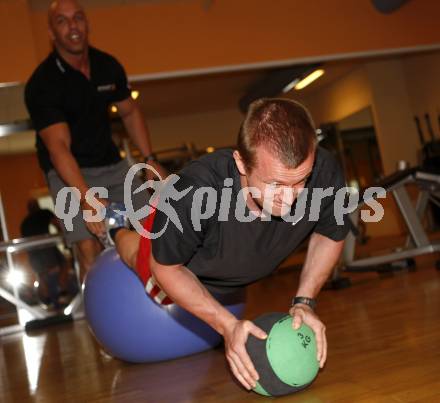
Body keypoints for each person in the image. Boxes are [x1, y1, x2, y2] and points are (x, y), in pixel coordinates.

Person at [105, 98, 349, 390]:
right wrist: (227, 325)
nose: (291, 198)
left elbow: (329, 233)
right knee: (140, 260)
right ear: (241, 163)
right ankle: (118, 227)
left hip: (226, 257)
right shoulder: (194, 195)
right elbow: (166, 268)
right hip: (180, 249)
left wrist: (305, 302)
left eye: (301, 181)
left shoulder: (324, 171)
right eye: (276, 184)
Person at [24, 0, 165, 279]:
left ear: (87, 24)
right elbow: (59, 148)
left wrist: (149, 161)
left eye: (77, 18)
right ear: (52, 33)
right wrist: (87, 200)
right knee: (89, 247)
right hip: (67, 171)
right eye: (62, 21)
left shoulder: (107, 66)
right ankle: (100, 320)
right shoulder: (43, 84)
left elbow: (130, 111)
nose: (72, 26)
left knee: (153, 231)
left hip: (111, 163)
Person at [20, 199, 70, 309]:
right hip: (46, 248)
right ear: (38, 205)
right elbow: (57, 224)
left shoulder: (25, 222)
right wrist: (65, 239)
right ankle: (61, 294)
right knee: (62, 265)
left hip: (33, 253)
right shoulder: (44, 212)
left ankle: (49, 301)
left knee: (41, 275)